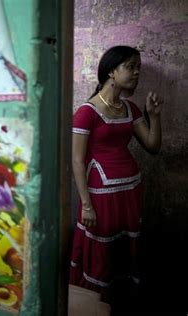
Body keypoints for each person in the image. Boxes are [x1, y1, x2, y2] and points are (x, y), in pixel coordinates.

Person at [70, 46, 163, 301]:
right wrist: (86, 205)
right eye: (131, 67)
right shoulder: (86, 113)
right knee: (101, 250)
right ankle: (95, 301)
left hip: (131, 190)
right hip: (100, 194)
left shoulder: (130, 109)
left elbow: (153, 146)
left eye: (138, 68)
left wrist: (154, 116)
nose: (136, 73)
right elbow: (77, 161)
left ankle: (119, 299)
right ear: (111, 71)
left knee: (124, 248)